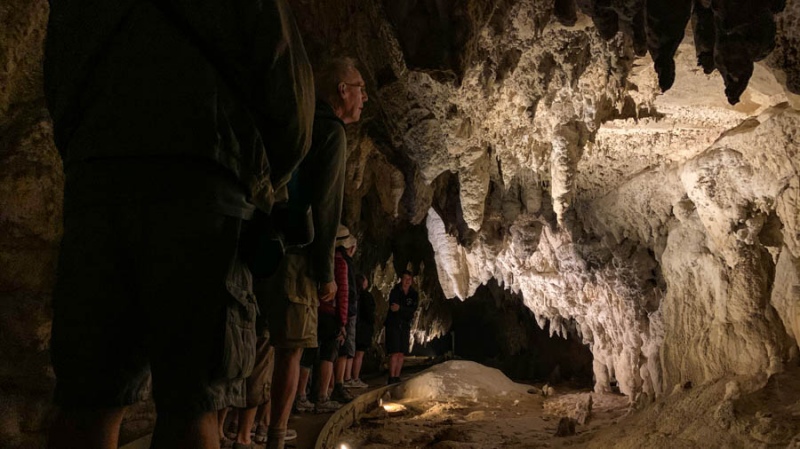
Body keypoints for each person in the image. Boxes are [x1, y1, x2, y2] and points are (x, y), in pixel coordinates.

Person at [44, 1, 313, 448]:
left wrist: (90, 154)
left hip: (99, 188)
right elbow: (287, 92)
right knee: (193, 402)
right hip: (202, 190)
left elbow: (58, 72)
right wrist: (265, 184)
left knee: (88, 400)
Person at [264, 57, 368, 448]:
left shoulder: (300, 123)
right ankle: (275, 434)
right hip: (297, 255)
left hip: (267, 246)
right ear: (342, 90)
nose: (364, 98)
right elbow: (327, 207)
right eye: (359, 88)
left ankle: (244, 432)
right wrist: (326, 272)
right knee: (291, 348)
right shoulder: (331, 132)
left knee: (259, 347)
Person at [331, 228, 358, 404]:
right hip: (341, 314)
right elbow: (345, 293)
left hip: (336, 313)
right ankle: (336, 386)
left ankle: (331, 387)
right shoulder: (342, 263)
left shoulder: (333, 261)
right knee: (340, 351)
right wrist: (343, 319)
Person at [385, 270, 419, 384]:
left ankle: (397, 376)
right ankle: (391, 377)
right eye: (405, 279)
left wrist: (401, 309)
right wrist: (404, 311)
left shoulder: (413, 294)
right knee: (394, 352)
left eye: (409, 279)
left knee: (401, 353)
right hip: (393, 324)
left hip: (405, 325)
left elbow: (412, 311)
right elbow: (393, 307)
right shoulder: (395, 291)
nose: (407, 281)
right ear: (401, 279)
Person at [348, 274, 376, 388]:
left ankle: (348, 378)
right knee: (358, 354)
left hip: (353, 327)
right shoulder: (366, 296)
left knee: (350, 354)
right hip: (363, 329)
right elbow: (369, 313)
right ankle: (354, 378)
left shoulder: (354, 294)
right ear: (363, 283)